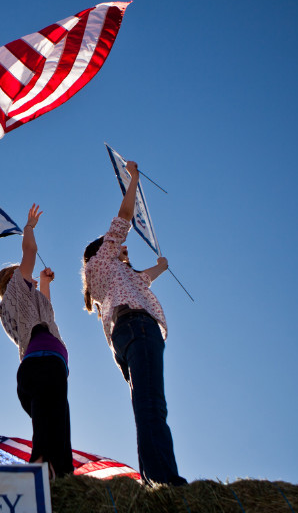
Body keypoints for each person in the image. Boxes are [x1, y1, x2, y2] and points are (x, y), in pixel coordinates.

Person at [81, 160, 187, 486]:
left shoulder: (116, 276)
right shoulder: (101, 262)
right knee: (152, 406)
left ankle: (153, 479)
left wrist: (161, 267)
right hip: (139, 329)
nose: (123, 247)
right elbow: (124, 218)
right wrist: (134, 181)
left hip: (129, 336)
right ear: (103, 249)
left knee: (148, 406)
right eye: (117, 245)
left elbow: (144, 280)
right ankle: (163, 480)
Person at [0, 204, 73, 479]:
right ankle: (42, 470)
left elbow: (46, 314)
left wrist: (44, 281)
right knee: (51, 433)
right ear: (14, 279)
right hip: (43, 365)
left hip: (42, 367)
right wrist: (28, 228)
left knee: (56, 426)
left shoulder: (26, 302)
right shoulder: (16, 288)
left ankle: (60, 477)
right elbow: (30, 252)